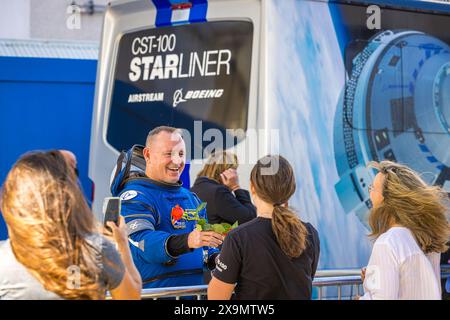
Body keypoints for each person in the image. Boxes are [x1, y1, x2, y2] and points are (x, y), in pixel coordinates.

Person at [0, 150, 142, 300]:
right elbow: (131, 295)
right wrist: (122, 242)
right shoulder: (98, 249)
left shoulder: (4, 259)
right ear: (69, 195)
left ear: (13, 200)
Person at [114, 126, 224, 288]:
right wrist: (188, 240)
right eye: (168, 154)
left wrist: (221, 259)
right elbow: (140, 243)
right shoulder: (134, 196)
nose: (177, 161)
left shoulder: (191, 198)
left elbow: (204, 252)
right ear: (148, 155)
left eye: (181, 154)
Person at [208, 155, 320, 300]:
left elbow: (216, 297)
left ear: (253, 188)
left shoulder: (239, 238)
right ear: (291, 189)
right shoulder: (310, 233)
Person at [359, 161, 450, 300]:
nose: (370, 193)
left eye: (373, 188)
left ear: (388, 199)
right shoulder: (426, 242)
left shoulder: (387, 243)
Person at [190, 150, 256, 225]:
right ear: (226, 172)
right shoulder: (219, 193)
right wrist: (236, 187)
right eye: (234, 171)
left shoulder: (192, 190)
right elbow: (250, 218)